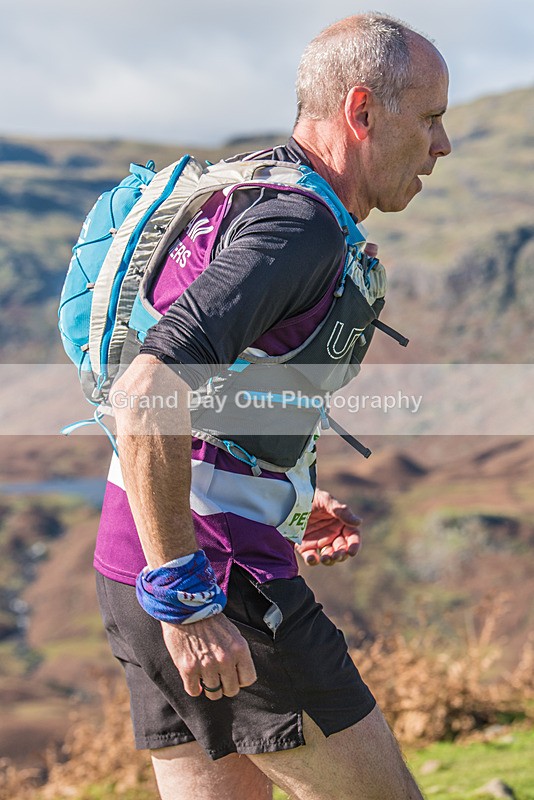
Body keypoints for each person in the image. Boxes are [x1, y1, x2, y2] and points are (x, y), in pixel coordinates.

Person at [95, 12, 451, 800]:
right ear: (362, 111)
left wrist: (282, 497)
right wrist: (187, 597)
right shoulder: (299, 226)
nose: (442, 145)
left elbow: (219, 391)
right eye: (430, 118)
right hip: (215, 582)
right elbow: (148, 390)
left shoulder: (245, 188)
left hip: (130, 562)